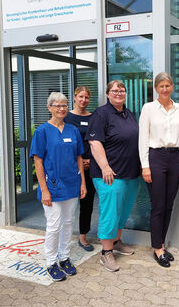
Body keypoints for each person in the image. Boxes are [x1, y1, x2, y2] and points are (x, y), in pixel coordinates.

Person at [30, 92, 86, 282]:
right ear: (49, 107)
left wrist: (82, 183)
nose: (61, 109)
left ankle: (64, 257)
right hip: (52, 186)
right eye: (57, 105)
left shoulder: (72, 130)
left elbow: (79, 157)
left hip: (72, 184)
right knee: (54, 225)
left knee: (68, 222)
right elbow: (38, 162)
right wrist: (44, 190)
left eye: (64, 105)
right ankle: (51, 262)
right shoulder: (42, 131)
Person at [86, 81, 140, 272]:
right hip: (109, 175)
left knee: (122, 211)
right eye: (115, 91)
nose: (119, 93)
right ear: (108, 94)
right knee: (110, 213)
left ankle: (116, 242)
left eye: (122, 90)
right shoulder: (101, 114)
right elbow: (94, 143)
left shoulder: (128, 113)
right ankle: (106, 253)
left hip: (130, 173)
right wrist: (105, 167)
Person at [139, 72, 179, 268]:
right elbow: (143, 138)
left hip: (175, 157)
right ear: (156, 88)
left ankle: (161, 244)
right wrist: (145, 166)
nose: (165, 89)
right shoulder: (148, 108)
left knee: (169, 205)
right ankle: (157, 248)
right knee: (158, 205)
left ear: (172, 87)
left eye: (168, 86)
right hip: (155, 157)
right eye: (161, 86)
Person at [64, 86, 95, 252]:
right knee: (67, 202)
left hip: (90, 167)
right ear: (75, 97)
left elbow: (97, 140)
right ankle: (63, 235)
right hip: (71, 167)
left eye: (87, 97)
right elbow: (62, 142)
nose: (84, 100)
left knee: (87, 203)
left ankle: (82, 237)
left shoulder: (93, 117)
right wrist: (78, 161)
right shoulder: (66, 116)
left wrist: (91, 160)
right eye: (81, 96)